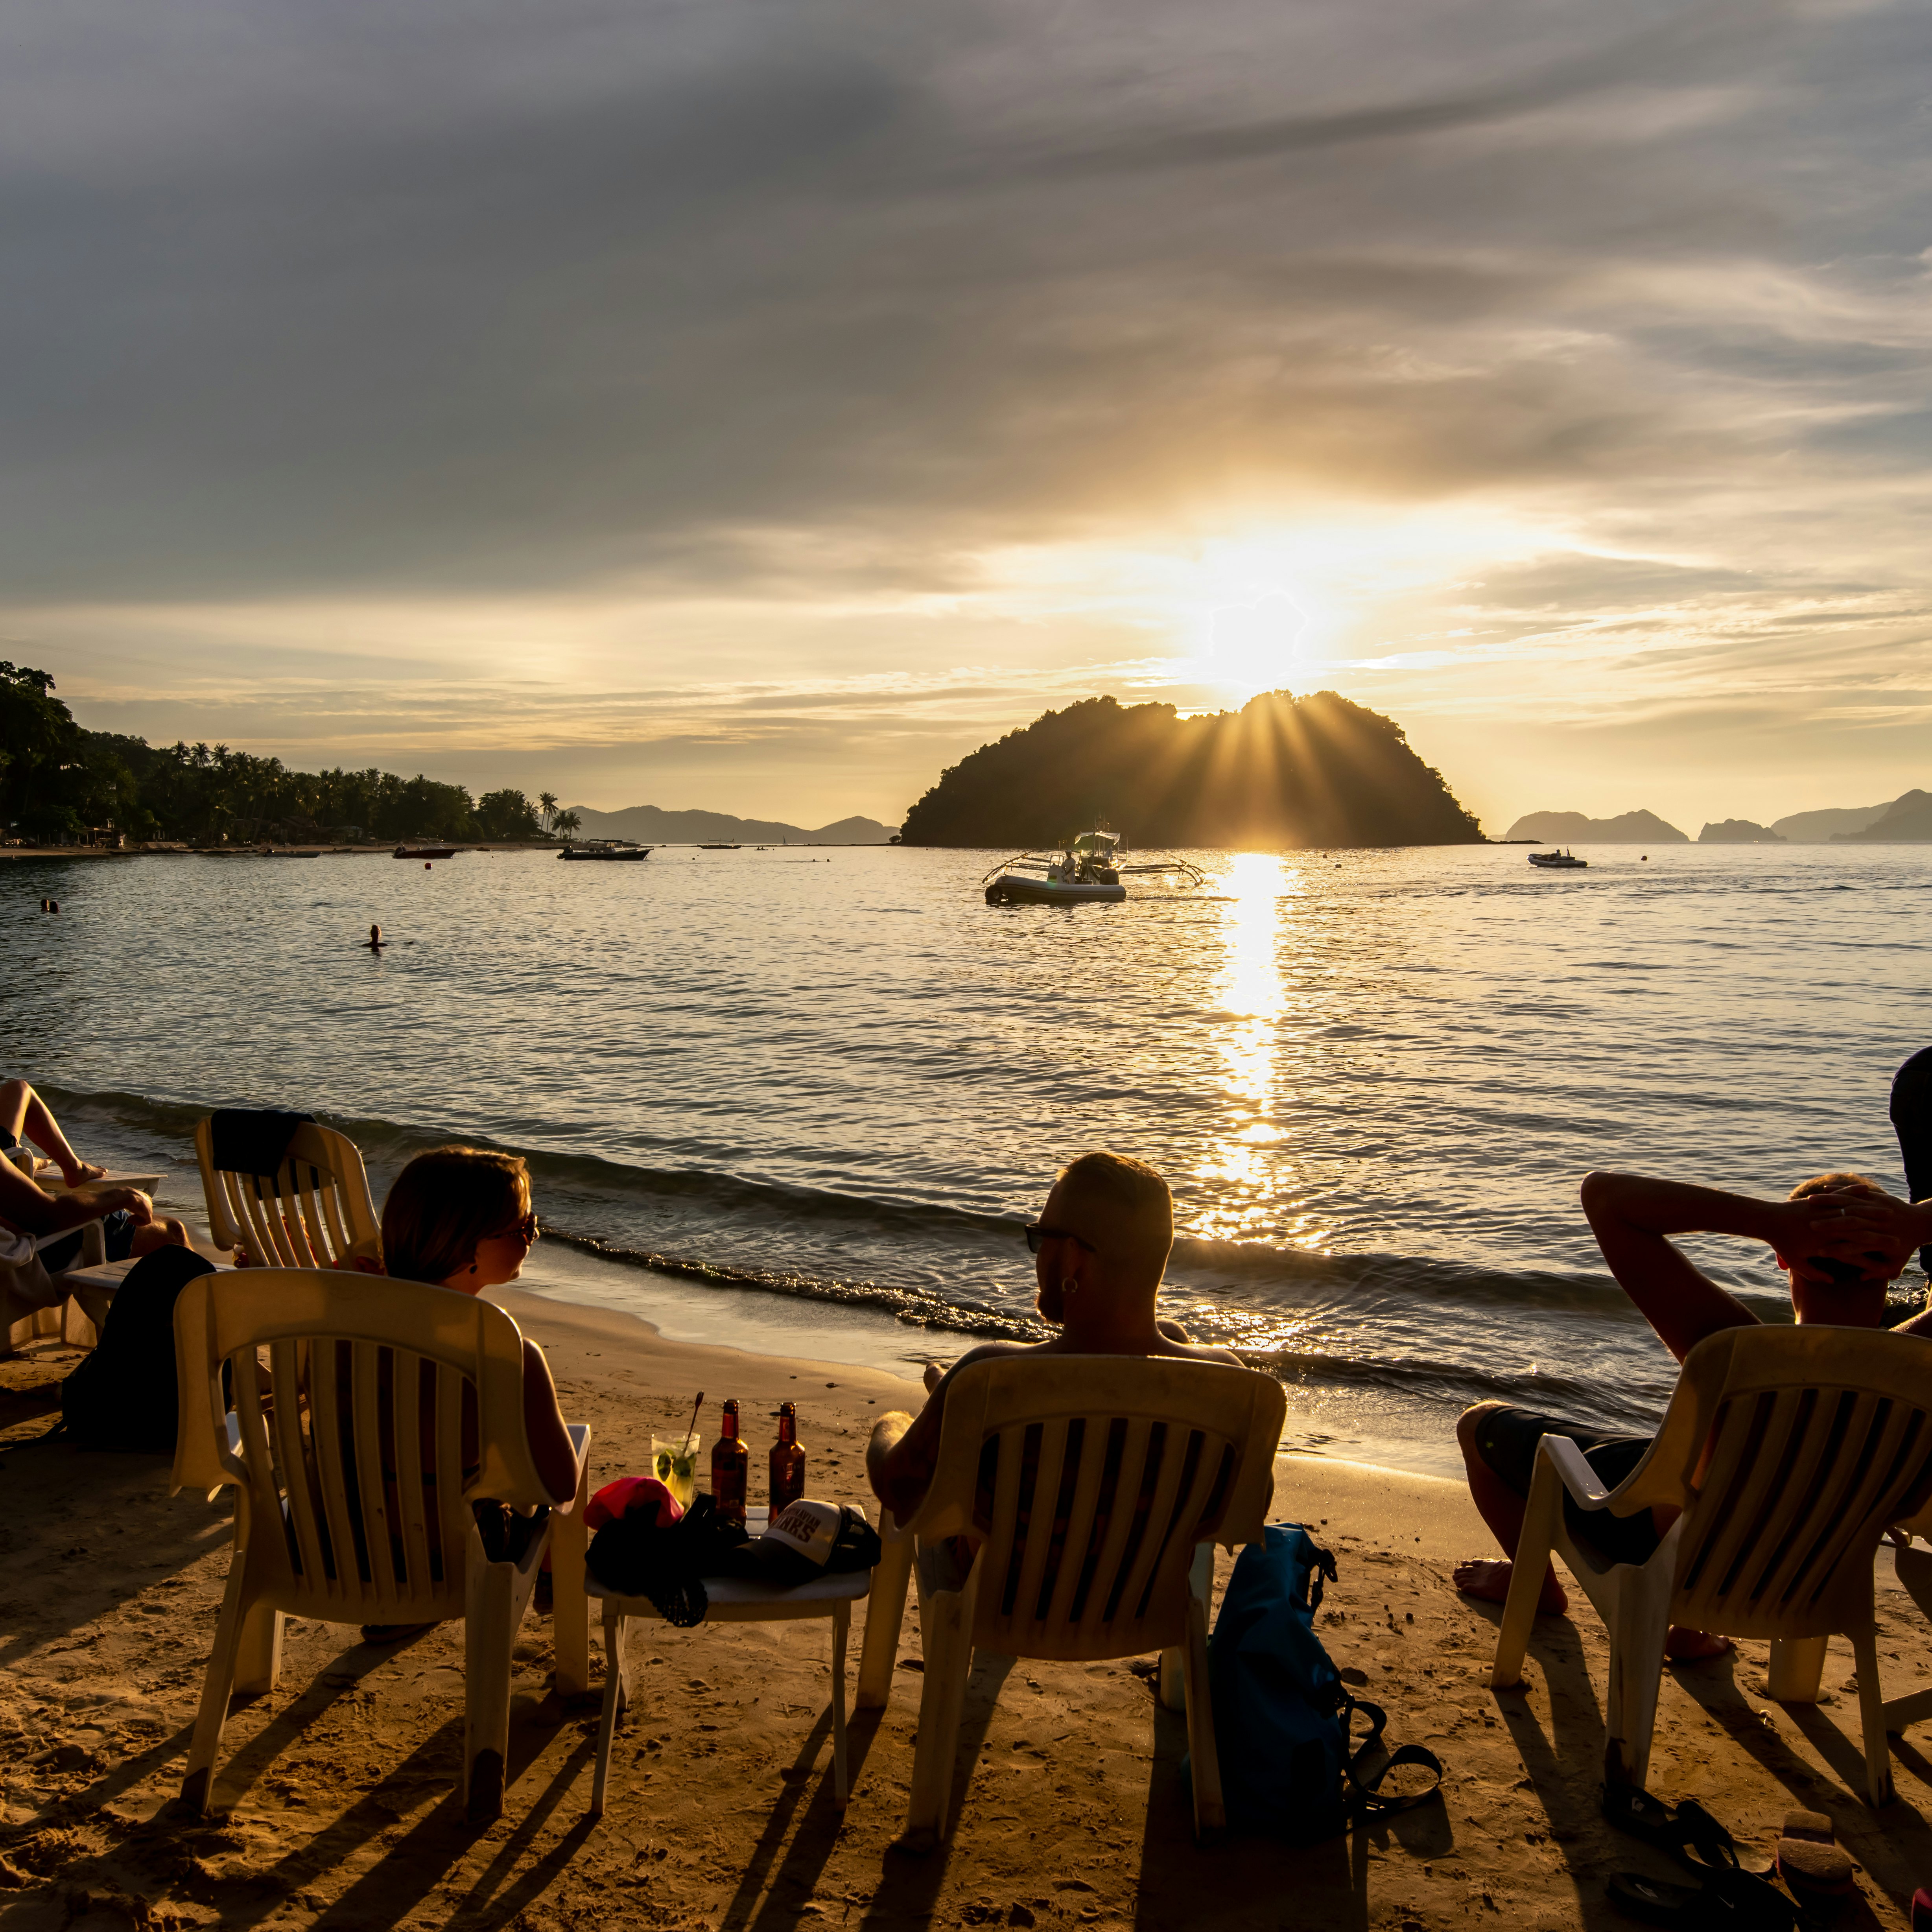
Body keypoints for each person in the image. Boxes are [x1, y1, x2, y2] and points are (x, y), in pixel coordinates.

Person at [1453, 1168, 1932, 1657]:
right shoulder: (1922, 1365)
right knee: (1734, 1470)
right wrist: (1919, 1223)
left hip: (1681, 1561)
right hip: (1819, 1570)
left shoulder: (1739, 1352)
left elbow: (1607, 1197)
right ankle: (1692, 1636)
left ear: (1783, 1258)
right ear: (1897, 1265)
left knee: (1478, 1424)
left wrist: (1771, 1220)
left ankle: (1534, 1586)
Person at [867, 1150, 1239, 1526]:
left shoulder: (993, 1375)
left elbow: (896, 1485)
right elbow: (1241, 1502)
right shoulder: (1225, 1381)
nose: (1039, 1253)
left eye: (1042, 1237)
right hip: (1156, 1584)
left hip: (1011, 1584)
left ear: (1074, 1258)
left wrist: (895, 1424)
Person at [350, 1147, 581, 1642]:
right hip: (449, 1559)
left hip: (341, 1541)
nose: (533, 1236)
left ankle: (404, 1609)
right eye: (522, 1228)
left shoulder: (341, 1330)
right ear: (465, 1249)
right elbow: (560, 1486)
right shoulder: (508, 1355)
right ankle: (556, 1592)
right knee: (558, 1473)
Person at [0, 1077, 190, 1266]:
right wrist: (124, 1196)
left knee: (19, 1089)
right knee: (173, 1231)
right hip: (19, 1256)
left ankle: (61, 1166)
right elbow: (48, 1217)